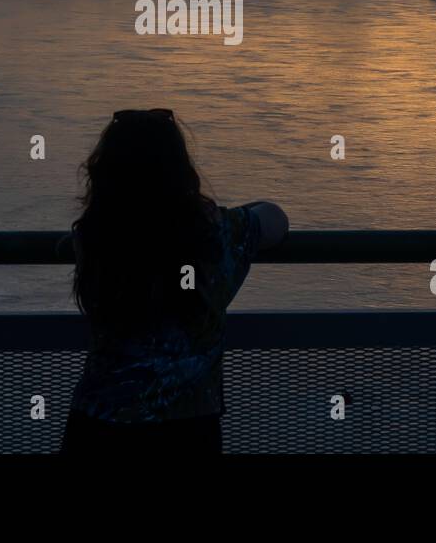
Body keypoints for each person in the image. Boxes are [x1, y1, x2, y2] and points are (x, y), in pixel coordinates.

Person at [63, 108, 288, 454]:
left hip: (98, 425)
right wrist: (221, 213)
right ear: (181, 170)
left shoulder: (93, 238)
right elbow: (275, 219)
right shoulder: (217, 235)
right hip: (187, 430)